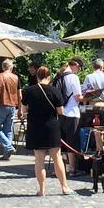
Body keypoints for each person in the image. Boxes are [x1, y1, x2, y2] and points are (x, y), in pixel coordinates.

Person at [21, 65, 70, 195]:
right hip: (51, 127)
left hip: (35, 127)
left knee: (39, 159)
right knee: (57, 157)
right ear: (48, 77)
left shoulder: (28, 91)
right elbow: (61, 111)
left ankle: (42, 190)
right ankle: (64, 187)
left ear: (37, 77)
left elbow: (23, 110)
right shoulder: (54, 91)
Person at [60, 57, 85, 175]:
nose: (79, 70)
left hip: (60, 113)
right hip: (72, 112)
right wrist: (89, 96)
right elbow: (78, 97)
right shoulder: (73, 77)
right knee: (71, 142)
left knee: (63, 142)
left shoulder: (58, 76)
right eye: (79, 68)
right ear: (75, 65)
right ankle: (72, 169)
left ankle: (63, 167)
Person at [0, 59, 20, 161]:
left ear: (3, 67)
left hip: (1, 104)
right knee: (8, 130)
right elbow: (20, 95)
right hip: (13, 105)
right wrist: (20, 109)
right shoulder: (16, 78)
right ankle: (6, 154)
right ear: (11, 67)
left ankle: (8, 147)